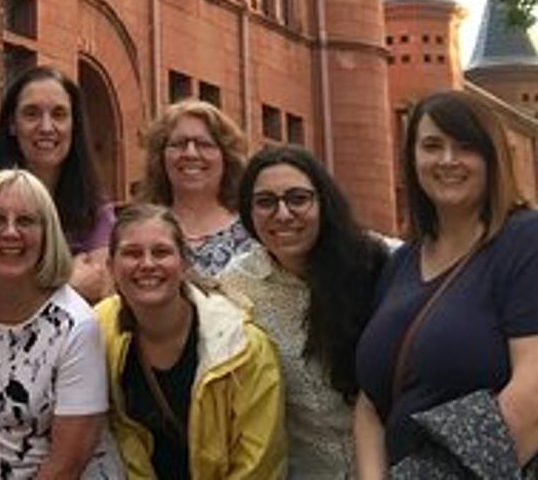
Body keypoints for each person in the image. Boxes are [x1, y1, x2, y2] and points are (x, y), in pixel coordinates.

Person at [353, 90, 538, 479]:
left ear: (494, 157)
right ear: (411, 158)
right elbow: (371, 402)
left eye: (465, 146)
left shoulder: (537, 244)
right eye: (431, 146)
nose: (447, 160)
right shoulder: (403, 262)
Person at [0, 167, 120, 480]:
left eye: (26, 221)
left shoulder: (74, 325)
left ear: (47, 234)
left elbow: (66, 465)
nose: (10, 232)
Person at [229, 144, 387, 479]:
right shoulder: (234, 289)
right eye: (266, 202)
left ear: (322, 202)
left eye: (298, 198)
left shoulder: (380, 262)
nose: (283, 214)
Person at [95, 204, 286, 480]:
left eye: (161, 252)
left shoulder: (244, 347)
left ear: (184, 263)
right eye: (132, 253)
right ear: (111, 267)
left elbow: (260, 465)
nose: (147, 264)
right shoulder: (98, 329)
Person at [0, 66, 115, 301]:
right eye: (31, 114)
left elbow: (100, 287)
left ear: (74, 126)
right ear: (12, 125)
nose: (46, 127)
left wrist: (2, 282)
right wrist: (65, 280)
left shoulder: (94, 205)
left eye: (59, 114)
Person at [139, 101, 256, 278]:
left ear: (226, 157)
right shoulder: (138, 230)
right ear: (160, 157)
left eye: (204, 144)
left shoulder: (254, 230)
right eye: (179, 144)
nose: (191, 153)